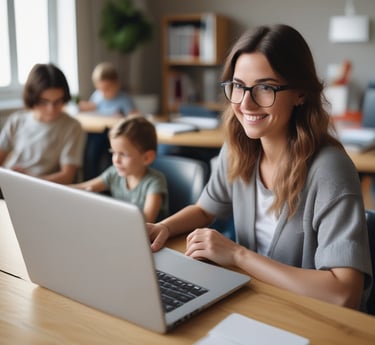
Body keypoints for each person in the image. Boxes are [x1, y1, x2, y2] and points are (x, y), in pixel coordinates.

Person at [147, 24, 372, 311]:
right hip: (259, 304)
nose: (246, 103)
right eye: (238, 86)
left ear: (300, 94)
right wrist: (162, 227)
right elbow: (205, 209)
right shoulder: (239, 148)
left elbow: (344, 293)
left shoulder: (330, 170)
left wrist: (239, 256)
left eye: (265, 87)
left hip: (311, 318)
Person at [71, 115, 168, 223]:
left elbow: (146, 221)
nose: (116, 160)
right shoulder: (114, 173)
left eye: (123, 154)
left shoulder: (154, 181)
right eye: (113, 152)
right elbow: (86, 187)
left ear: (147, 158)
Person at [0, 63, 85, 184]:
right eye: (44, 102)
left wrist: (28, 180)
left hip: (39, 188)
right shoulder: (17, 120)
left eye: (58, 101)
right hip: (7, 183)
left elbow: (67, 176)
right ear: (33, 98)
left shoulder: (72, 127)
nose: (51, 109)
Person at [79, 62, 138, 180]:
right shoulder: (98, 96)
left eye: (108, 88)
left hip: (115, 135)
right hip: (97, 133)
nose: (104, 92)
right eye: (101, 89)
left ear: (116, 84)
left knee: (110, 156)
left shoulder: (124, 99)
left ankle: (111, 182)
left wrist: (123, 117)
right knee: (90, 153)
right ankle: (90, 179)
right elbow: (93, 106)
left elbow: (134, 117)